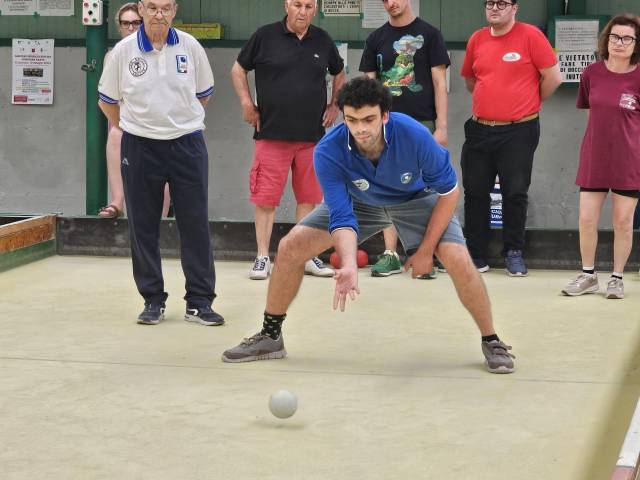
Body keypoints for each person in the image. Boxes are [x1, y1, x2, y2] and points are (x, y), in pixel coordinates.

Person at [222, 77, 516, 374]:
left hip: (417, 200)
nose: (360, 128)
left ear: (384, 115)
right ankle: (271, 336)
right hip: (362, 202)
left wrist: (426, 250)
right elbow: (341, 216)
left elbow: (449, 192)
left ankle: (492, 339)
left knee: (459, 260)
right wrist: (348, 263)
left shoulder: (414, 135)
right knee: (290, 246)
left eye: (368, 119)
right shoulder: (328, 151)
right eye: (352, 120)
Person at [97, 0, 224, 326]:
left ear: (175, 10)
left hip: (188, 145)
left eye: (165, 7)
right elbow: (107, 101)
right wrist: (132, 127)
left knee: (195, 223)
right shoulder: (124, 51)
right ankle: (152, 300)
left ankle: (199, 302)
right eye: (152, 7)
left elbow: (203, 94)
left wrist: (178, 122)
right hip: (140, 146)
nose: (159, 14)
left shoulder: (190, 46)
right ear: (141, 9)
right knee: (143, 225)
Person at [230, 0, 346, 280]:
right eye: (297, 5)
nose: (302, 11)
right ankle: (261, 258)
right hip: (271, 134)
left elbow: (339, 72)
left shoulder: (322, 40)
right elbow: (238, 70)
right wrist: (247, 103)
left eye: (308, 6)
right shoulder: (264, 36)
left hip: (312, 137)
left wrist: (335, 105)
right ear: (287, 6)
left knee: (309, 199)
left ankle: (306, 256)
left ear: (315, 9)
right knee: (266, 199)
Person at [460, 0, 561, 276]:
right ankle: (475, 253)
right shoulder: (477, 39)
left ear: (514, 8)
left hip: (519, 130)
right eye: (490, 3)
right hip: (480, 130)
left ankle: (514, 252)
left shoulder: (531, 36)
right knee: (475, 192)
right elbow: (471, 80)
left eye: (502, 3)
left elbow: (553, 78)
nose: (495, 8)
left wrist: (528, 103)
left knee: (514, 192)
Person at [360, 0, 450, 279]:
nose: (391, 3)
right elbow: (368, 87)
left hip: (423, 124)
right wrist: (368, 126)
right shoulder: (376, 39)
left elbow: (439, 83)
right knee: (386, 187)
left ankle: (428, 252)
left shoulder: (431, 34)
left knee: (426, 189)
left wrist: (442, 127)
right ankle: (390, 254)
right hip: (386, 126)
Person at [562, 14, 640, 299]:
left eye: (627, 38)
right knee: (586, 219)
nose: (619, 43)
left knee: (622, 221)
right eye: (615, 37)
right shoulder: (591, 74)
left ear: (636, 44)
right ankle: (588, 275)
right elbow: (593, 114)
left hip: (630, 160)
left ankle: (617, 278)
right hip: (594, 158)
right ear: (606, 40)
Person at [99, 3, 171, 219]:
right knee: (115, 136)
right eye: (125, 23)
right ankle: (117, 202)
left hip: (156, 120)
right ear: (119, 26)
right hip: (125, 118)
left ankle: (160, 214)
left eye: (135, 23)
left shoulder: (160, 49)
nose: (130, 27)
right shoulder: (113, 55)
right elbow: (107, 95)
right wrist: (121, 122)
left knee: (161, 158)